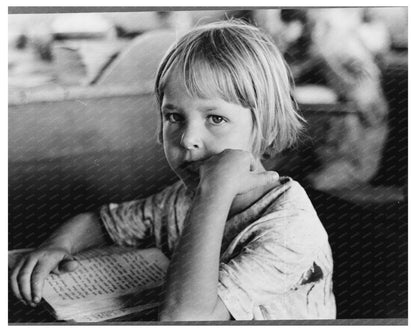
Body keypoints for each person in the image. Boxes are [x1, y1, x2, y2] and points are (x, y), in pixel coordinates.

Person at [10, 20, 336, 320]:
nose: (189, 138)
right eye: (174, 117)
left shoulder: (290, 228)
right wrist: (59, 245)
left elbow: (183, 320)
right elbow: (102, 222)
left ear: (264, 129)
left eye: (216, 118)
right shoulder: (177, 200)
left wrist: (213, 194)